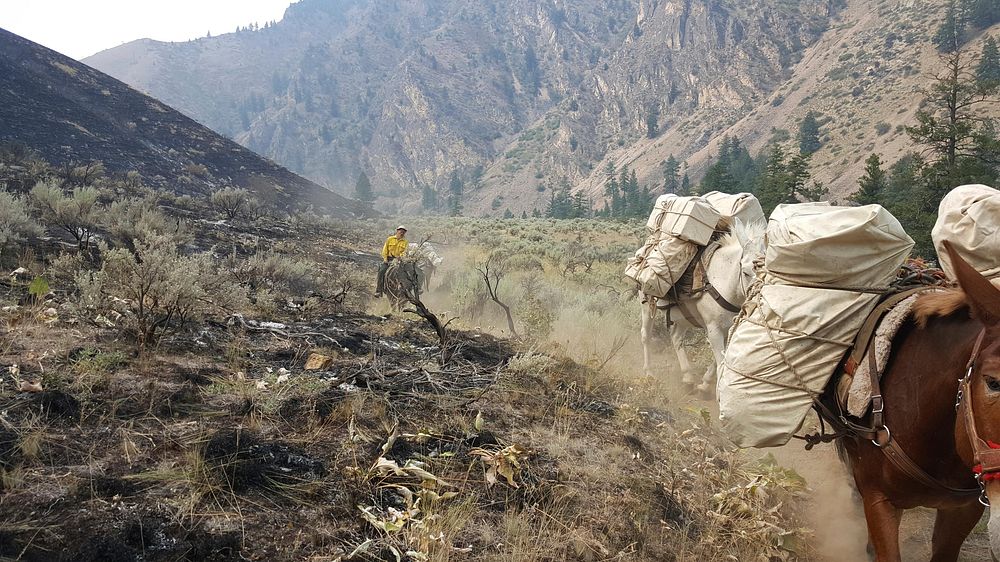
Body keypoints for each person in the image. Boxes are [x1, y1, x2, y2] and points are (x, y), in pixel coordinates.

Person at [375, 226, 408, 297]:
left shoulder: (405, 242)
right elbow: (385, 250)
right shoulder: (390, 239)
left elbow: (405, 252)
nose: (402, 232)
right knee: (381, 271)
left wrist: (400, 258)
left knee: (407, 273)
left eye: (403, 231)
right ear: (397, 231)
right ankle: (378, 291)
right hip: (388, 259)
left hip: (398, 260)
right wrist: (385, 259)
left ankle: (407, 291)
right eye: (400, 231)